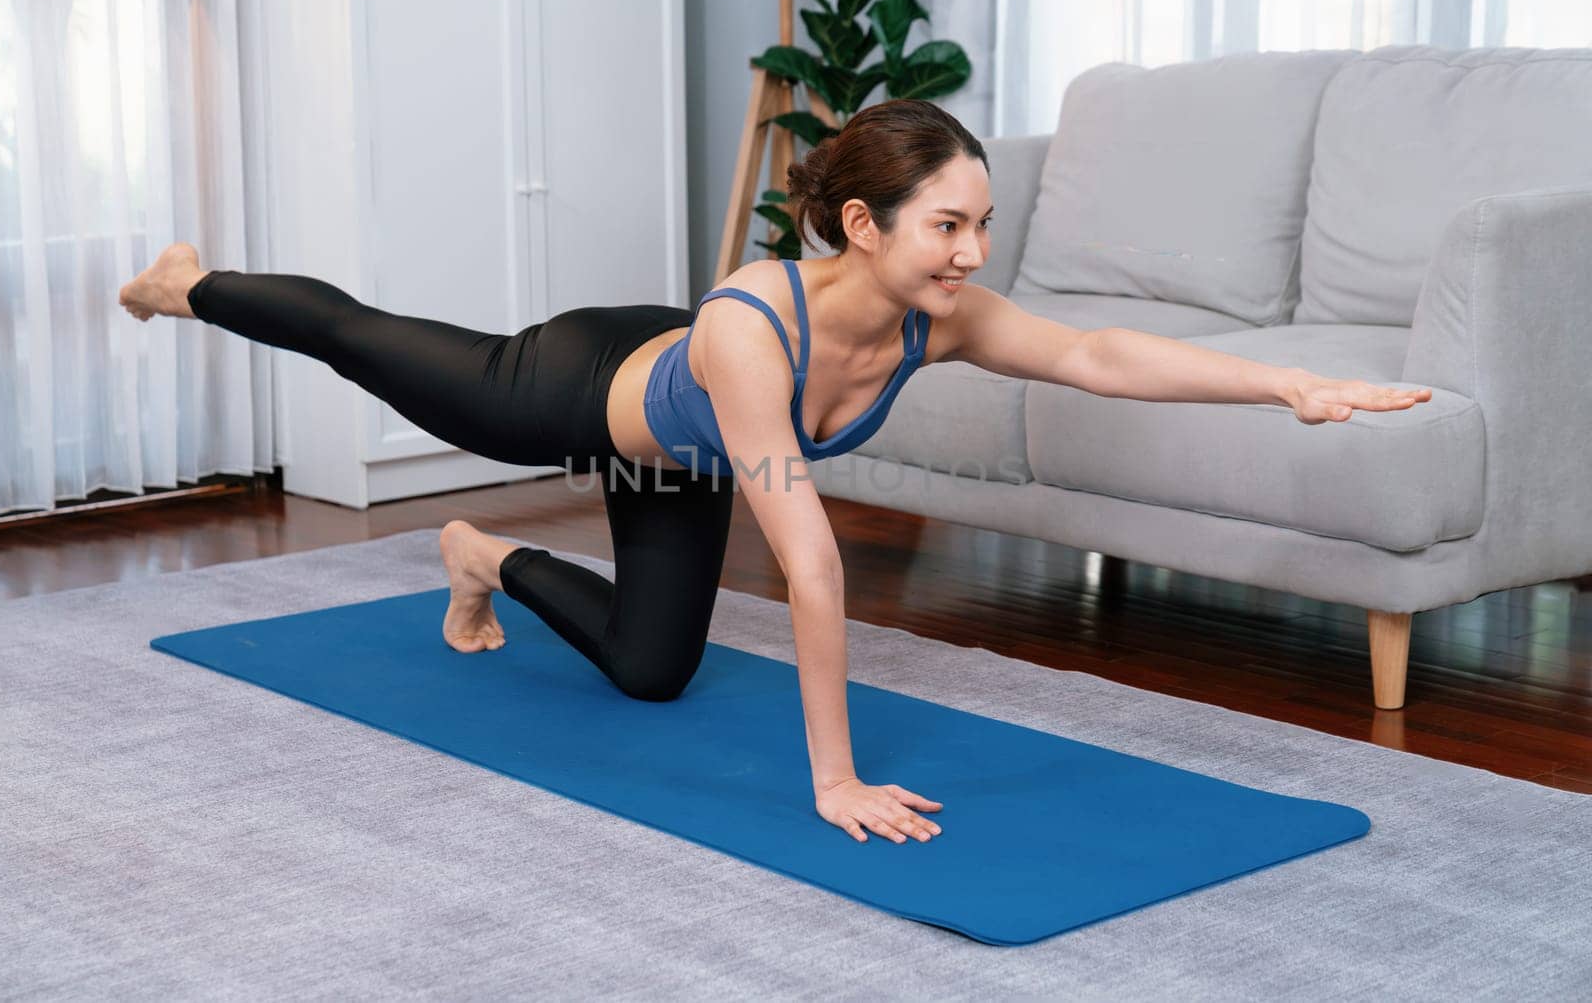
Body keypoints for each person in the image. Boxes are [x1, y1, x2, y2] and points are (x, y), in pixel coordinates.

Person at [118, 99, 1431, 847]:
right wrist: (834, 780)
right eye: (950, 226)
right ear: (864, 226)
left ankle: (478, 557)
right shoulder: (758, 322)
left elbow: (1094, 351)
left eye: (984, 225)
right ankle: (194, 284)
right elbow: (804, 555)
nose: (975, 252)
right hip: (583, 387)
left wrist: (1290, 381)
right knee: (370, 343)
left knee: (652, 674)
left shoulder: (942, 315)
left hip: (680, 446)